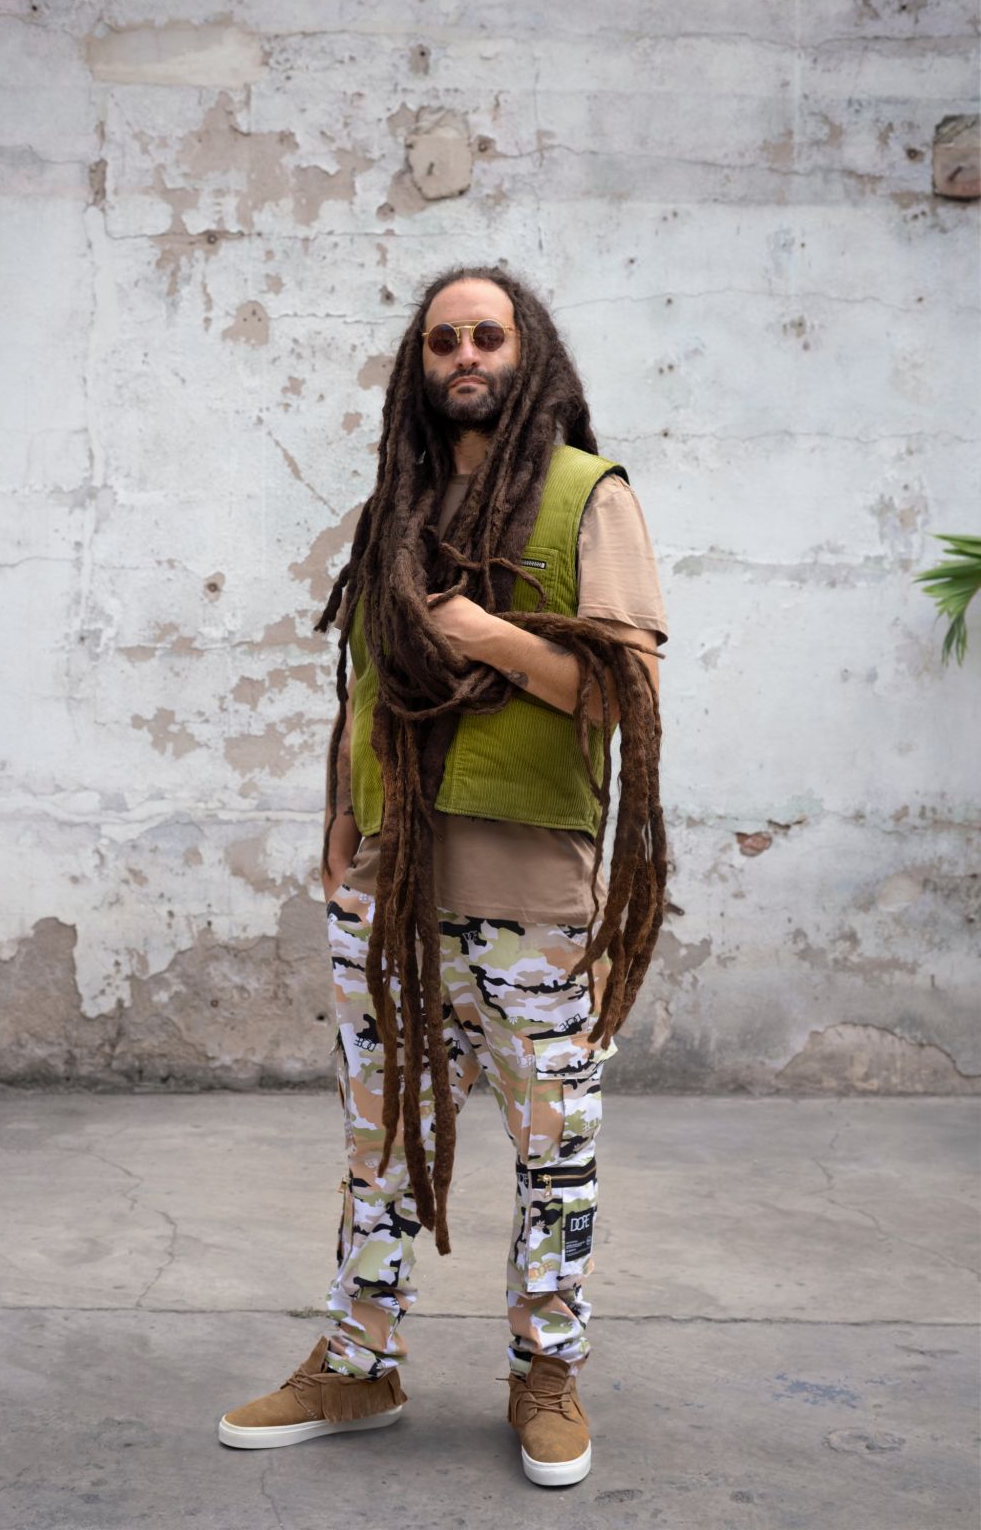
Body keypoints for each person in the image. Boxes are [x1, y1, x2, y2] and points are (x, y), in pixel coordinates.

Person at [218, 267, 668, 1487]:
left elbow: (624, 692)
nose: (465, 353)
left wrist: (484, 636)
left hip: (533, 900)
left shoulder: (590, 496)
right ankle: (358, 1363)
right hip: (389, 893)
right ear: (419, 367)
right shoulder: (398, 506)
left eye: (487, 335)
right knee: (380, 1144)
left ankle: (546, 1373)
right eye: (443, 340)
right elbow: (365, 680)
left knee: (554, 1153)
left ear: (529, 353)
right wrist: (338, 815)